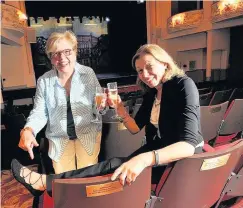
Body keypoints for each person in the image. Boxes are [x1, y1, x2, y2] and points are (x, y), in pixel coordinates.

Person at [11, 44, 204, 197]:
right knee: (112, 165)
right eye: (139, 70)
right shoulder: (152, 93)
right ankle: (51, 184)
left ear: (165, 63)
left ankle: (47, 183)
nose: (144, 75)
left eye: (149, 67)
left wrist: (144, 159)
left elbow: (189, 145)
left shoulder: (183, 85)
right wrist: (120, 108)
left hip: (183, 158)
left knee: (114, 167)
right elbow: (135, 128)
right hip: (160, 147)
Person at [18, 31, 102, 174]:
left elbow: (98, 105)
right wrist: (28, 129)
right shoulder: (44, 81)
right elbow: (39, 112)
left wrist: (103, 105)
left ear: (75, 52)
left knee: (88, 178)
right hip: (60, 139)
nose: (62, 58)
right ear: (50, 58)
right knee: (65, 181)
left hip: (88, 134)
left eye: (67, 51)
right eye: (55, 54)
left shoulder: (88, 74)